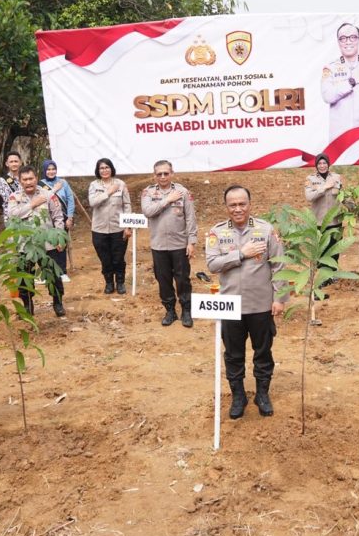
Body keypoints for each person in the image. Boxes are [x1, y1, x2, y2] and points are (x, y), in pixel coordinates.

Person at [205, 186, 287, 419]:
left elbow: (279, 265)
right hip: (231, 305)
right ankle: (238, 395)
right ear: (227, 207)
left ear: (250, 204)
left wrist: (279, 298)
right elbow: (212, 264)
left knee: (263, 352)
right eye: (233, 205)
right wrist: (241, 253)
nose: (238, 209)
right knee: (233, 354)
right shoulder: (217, 232)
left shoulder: (265, 229)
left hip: (261, 304)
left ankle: (262, 393)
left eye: (242, 204)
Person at [141, 160, 198, 327]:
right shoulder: (148, 192)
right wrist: (167, 200)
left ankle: (186, 310)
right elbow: (148, 211)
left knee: (183, 279)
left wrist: (192, 242)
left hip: (179, 244)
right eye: (159, 174)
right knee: (163, 279)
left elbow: (190, 218)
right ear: (154, 176)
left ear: (172, 174)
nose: (163, 176)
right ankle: (170, 311)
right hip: (158, 245)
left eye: (166, 173)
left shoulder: (182, 192)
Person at [6, 166, 67, 318]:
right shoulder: (14, 197)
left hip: (48, 245)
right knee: (24, 278)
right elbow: (13, 215)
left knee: (53, 276)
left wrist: (60, 238)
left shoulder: (48, 195)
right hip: (24, 246)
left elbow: (58, 217)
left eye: (31, 178)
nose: (28, 182)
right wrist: (32, 204)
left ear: (36, 178)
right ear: (20, 181)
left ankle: (58, 303)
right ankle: (28, 307)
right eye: (24, 179)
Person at [88, 158, 131, 295]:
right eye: (101, 168)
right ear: (98, 170)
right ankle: (109, 283)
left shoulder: (121, 184)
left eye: (107, 167)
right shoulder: (94, 185)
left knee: (118, 258)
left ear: (111, 168)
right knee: (105, 258)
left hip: (118, 228)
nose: (104, 170)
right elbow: (93, 202)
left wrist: (128, 226)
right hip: (99, 229)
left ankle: (120, 282)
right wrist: (108, 192)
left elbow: (127, 205)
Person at [304, 153, 343, 296]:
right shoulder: (311, 180)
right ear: (316, 165)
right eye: (319, 164)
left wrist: (351, 205)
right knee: (322, 250)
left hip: (335, 220)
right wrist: (324, 187)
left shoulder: (337, 178)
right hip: (319, 222)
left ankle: (332, 274)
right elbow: (309, 197)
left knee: (335, 248)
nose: (322, 166)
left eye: (324, 163)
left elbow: (342, 196)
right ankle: (322, 276)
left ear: (328, 164)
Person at [39, 159, 75, 284]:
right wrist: (54, 190)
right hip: (47, 219)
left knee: (61, 245)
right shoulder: (40, 184)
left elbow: (70, 199)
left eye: (53, 169)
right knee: (47, 246)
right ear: (44, 171)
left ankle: (62, 272)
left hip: (62, 218)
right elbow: (42, 199)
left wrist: (70, 217)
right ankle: (46, 273)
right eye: (48, 169)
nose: (51, 171)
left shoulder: (63, 182)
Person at [0, 151, 24, 224]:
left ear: (20, 162)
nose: (14, 164)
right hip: (11, 214)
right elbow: (7, 198)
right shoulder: (3, 180)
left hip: (26, 212)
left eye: (16, 161)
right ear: (7, 164)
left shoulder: (26, 178)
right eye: (11, 162)